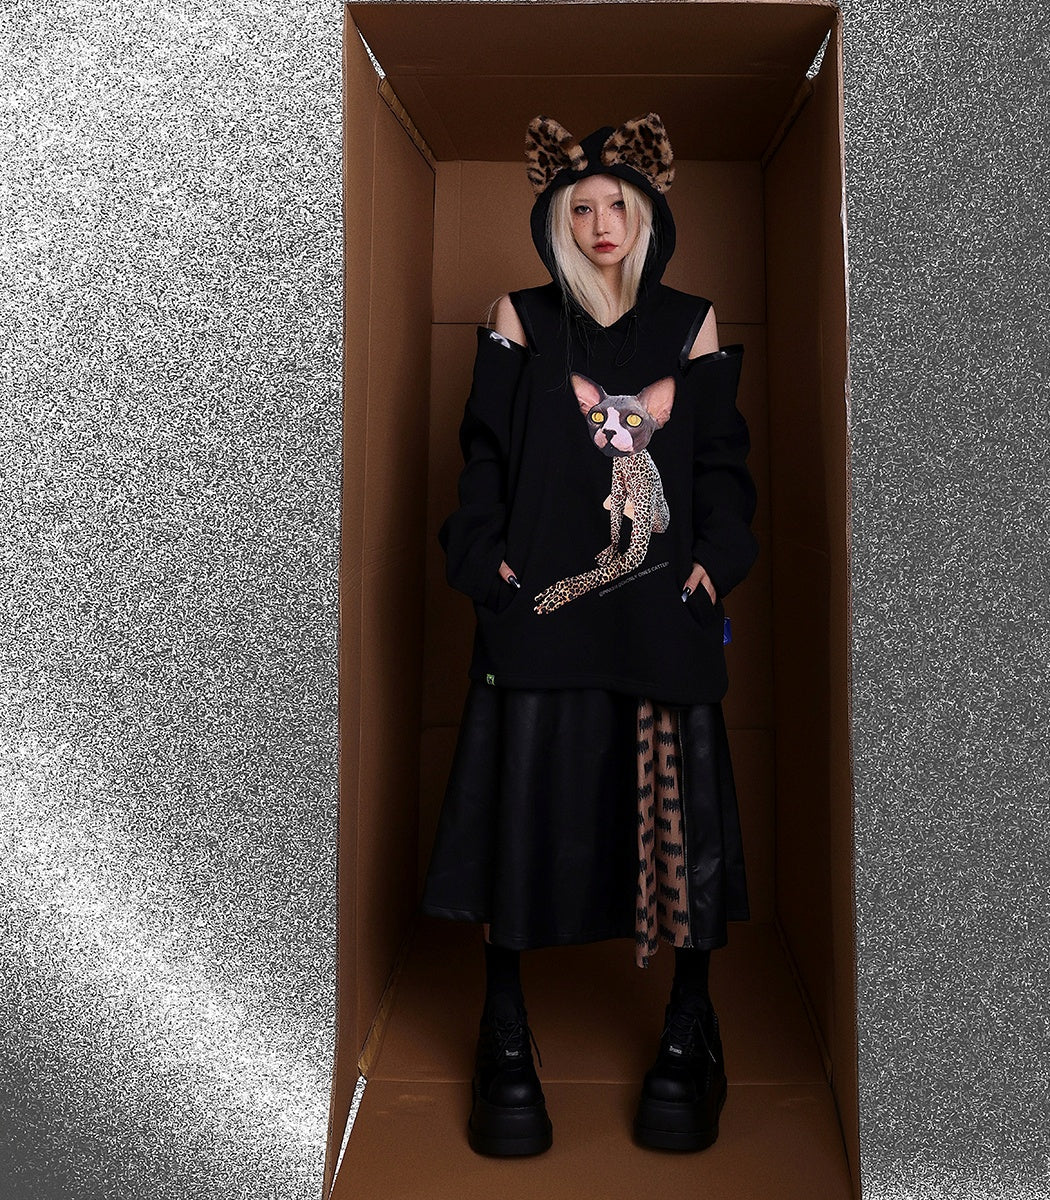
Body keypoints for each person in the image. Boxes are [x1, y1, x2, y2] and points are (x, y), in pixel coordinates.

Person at [419, 112, 758, 1157]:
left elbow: (721, 467)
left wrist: (715, 564)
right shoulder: (520, 319)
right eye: (580, 208)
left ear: (647, 214)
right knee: (522, 811)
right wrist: (484, 561)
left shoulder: (691, 324)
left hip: (661, 614)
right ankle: (505, 1036)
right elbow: (482, 456)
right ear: (556, 222)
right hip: (542, 613)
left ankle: (688, 1027)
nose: (601, 222)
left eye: (618, 204)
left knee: (681, 827)